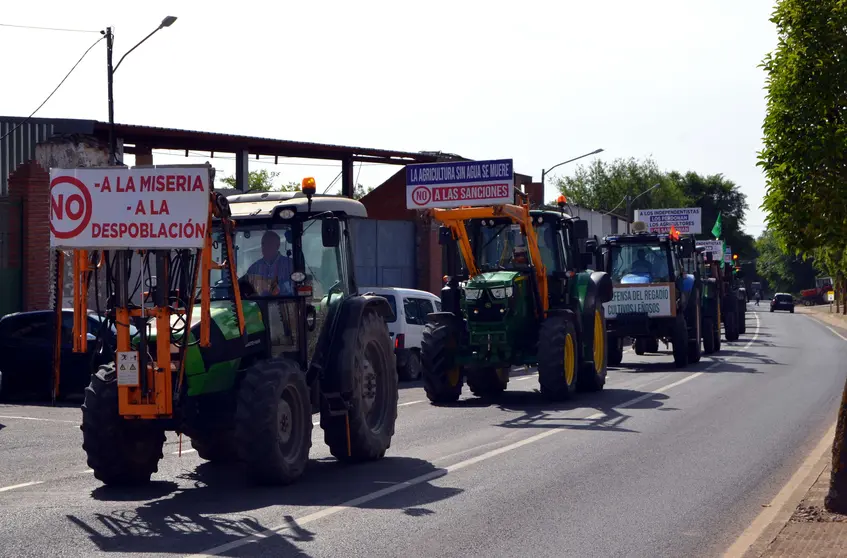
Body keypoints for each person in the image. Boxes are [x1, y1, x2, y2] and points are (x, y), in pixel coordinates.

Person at [244, 230, 293, 296]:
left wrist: (279, 288)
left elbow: (297, 286)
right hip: (259, 305)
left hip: (286, 303)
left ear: (277, 246)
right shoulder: (253, 269)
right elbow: (246, 291)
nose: (265, 247)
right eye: (263, 244)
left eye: (269, 244)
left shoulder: (290, 265)